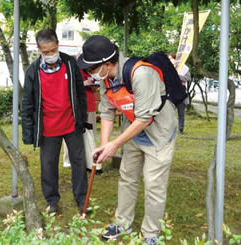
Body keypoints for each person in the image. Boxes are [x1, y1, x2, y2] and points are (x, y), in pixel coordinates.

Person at [77, 35, 177, 245]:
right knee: (127, 178)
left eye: (91, 69)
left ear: (105, 64)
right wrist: (104, 143)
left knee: (153, 185)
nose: (89, 74)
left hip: (158, 134)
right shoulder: (105, 78)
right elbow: (107, 110)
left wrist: (114, 144)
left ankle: (151, 234)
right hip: (133, 132)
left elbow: (144, 118)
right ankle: (122, 222)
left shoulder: (141, 73)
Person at [21, 28, 89, 214]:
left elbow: (80, 93)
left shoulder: (70, 64)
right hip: (48, 128)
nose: (50, 55)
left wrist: (82, 120)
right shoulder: (33, 71)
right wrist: (28, 133)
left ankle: (82, 199)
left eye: (52, 50)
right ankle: (52, 201)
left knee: (79, 161)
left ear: (57, 45)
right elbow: (27, 102)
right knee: (48, 166)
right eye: (45, 52)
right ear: (39, 49)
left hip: (71, 123)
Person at [63, 68, 98, 168]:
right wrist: (83, 83)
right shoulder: (74, 69)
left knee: (91, 133)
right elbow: (68, 85)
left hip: (90, 105)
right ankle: (68, 159)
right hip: (76, 106)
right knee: (71, 133)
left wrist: (94, 86)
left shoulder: (92, 71)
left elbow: (94, 89)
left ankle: (89, 159)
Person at [168, 53, 189, 134]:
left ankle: (181, 129)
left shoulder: (183, 68)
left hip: (180, 93)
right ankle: (170, 129)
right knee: (170, 113)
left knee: (181, 113)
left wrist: (177, 75)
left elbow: (188, 78)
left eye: (171, 58)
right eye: (169, 59)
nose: (170, 60)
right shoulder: (168, 68)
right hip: (171, 93)